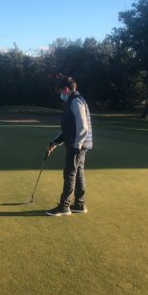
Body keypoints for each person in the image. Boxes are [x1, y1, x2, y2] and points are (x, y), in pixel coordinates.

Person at [46, 75, 93, 216]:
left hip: (78, 144)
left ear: (66, 89)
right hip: (80, 143)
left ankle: (64, 206)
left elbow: (83, 126)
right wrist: (55, 142)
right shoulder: (74, 100)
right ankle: (79, 204)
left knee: (70, 173)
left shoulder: (76, 101)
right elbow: (68, 128)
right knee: (78, 172)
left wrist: (76, 146)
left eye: (61, 91)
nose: (61, 95)